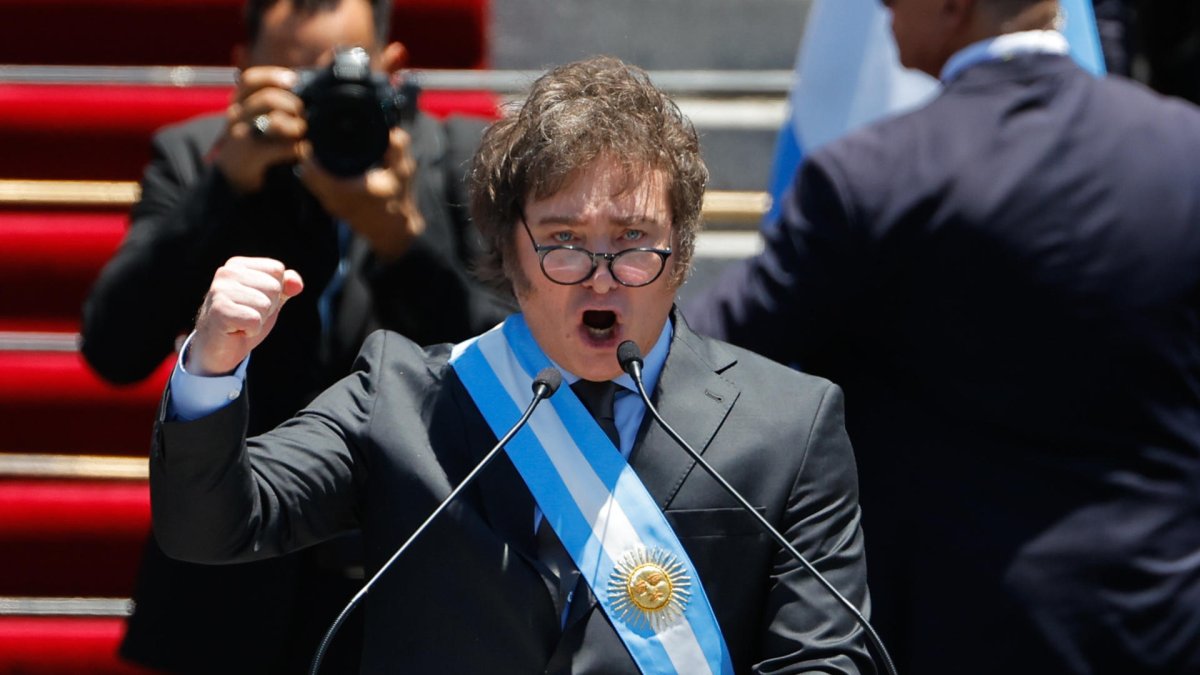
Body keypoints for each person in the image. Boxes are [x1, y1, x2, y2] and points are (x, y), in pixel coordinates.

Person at [147, 55, 875, 673]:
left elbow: (825, 656)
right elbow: (210, 525)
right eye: (563, 238)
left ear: (680, 253)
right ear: (507, 251)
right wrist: (212, 366)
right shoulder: (402, 397)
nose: (601, 274)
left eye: (633, 238)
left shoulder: (789, 423)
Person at [684, 0, 1200, 673]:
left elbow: (705, 361)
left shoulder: (870, 180)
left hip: (951, 632)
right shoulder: (1183, 149)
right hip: (1166, 625)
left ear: (953, 5)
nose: (882, 8)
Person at [80, 0, 511, 671]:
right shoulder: (198, 156)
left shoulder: (459, 160)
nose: (321, 98)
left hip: (412, 583)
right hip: (226, 593)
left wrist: (400, 240)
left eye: (342, 72)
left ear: (393, 70)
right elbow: (113, 348)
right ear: (242, 69)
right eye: (293, 76)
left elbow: (514, 359)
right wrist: (226, 186)